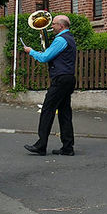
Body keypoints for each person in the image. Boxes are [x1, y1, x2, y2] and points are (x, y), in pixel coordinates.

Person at [23, 14, 77, 156]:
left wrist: (31, 52)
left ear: (61, 26)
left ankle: (41, 145)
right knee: (64, 112)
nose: (51, 26)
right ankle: (67, 147)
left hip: (60, 79)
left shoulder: (60, 40)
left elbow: (45, 57)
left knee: (48, 109)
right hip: (68, 78)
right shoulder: (69, 38)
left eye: (53, 24)